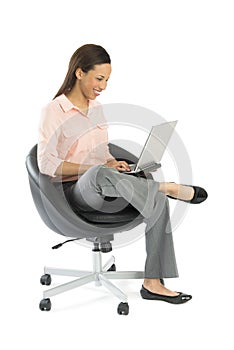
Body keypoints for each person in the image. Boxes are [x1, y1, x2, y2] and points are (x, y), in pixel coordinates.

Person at [38, 44, 208, 304]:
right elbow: (46, 164)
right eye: (99, 78)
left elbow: (101, 152)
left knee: (155, 199)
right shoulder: (53, 111)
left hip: (109, 184)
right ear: (80, 73)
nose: (103, 86)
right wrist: (95, 168)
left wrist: (112, 162)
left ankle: (153, 283)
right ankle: (169, 187)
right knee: (98, 174)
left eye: (107, 80)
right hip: (74, 194)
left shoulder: (97, 109)